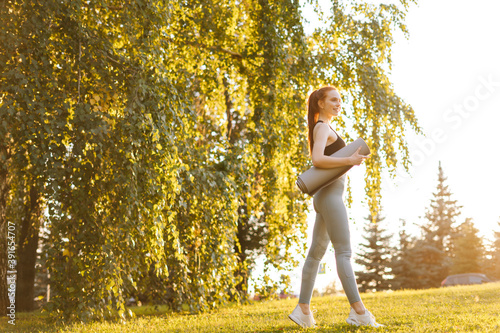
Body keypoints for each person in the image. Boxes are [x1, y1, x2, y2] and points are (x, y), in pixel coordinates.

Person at [288, 86, 384, 328]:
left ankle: (303, 310)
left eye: (340, 100)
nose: (338, 103)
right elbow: (317, 159)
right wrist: (350, 160)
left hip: (324, 197)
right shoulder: (322, 127)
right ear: (320, 103)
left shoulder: (324, 128)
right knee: (343, 253)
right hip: (330, 198)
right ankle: (359, 313)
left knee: (315, 255)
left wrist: (348, 160)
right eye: (333, 99)